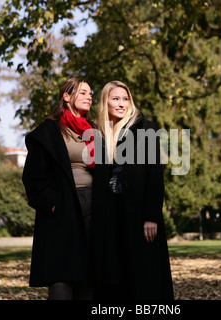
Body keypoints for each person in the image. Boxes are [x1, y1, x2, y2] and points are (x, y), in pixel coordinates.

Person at [92, 80, 174, 300]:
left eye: (125, 99)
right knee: (115, 279)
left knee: (143, 279)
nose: (121, 104)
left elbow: (155, 175)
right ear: (105, 102)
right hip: (111, 217)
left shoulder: (146, 129)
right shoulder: (100, 134)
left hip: (139, 217)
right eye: (115, 99)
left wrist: (151, 216)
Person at [22, 78, 95, 300]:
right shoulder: (49, 131)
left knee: (90, 275)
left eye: (91, 93)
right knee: (62, 274)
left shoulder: (95, 131)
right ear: (66, 96)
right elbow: (33, 176)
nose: (89, 96)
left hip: (94, 206)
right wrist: (53, 203)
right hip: (64, 206)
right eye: (82, 93)